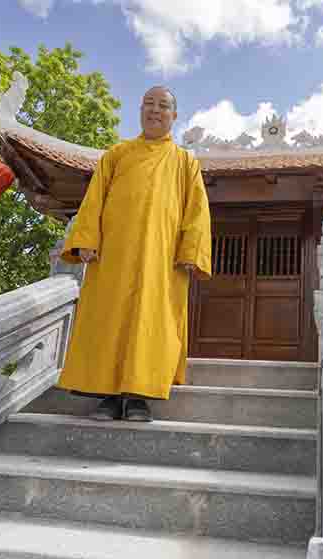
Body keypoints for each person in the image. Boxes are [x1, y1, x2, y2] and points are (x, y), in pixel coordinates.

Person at [56, 86, 212, 422]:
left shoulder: (185, 161)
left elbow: (197, 211)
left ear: (174, 115)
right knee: (109, 318)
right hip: (114, 254)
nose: (155, 110)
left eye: (163, 105)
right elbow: (94, 199)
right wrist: (87, 238)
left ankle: (139, 397)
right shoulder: (117, 154)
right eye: (149, 104)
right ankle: (108, 397)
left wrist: (191, 250)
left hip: (163, 259)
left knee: (151, 323)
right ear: (140, 110)